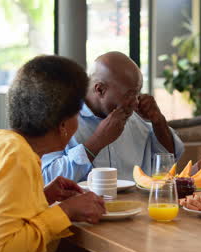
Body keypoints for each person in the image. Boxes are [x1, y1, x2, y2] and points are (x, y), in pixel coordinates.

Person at [0, 55, 106, 252]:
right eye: (76, 115)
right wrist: (64, 211)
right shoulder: (16, 156)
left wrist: (41, 198)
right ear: (63, 126)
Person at [42, 51, 184, 184]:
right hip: (85, 209)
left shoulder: (135, 117)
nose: (136, 103)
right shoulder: (60, 120)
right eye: (129, 94)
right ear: (100, 90)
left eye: (138, 93)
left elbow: (168, 161)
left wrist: (158, 122)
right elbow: (46, 179)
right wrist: (97, 141)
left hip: (138, 208)